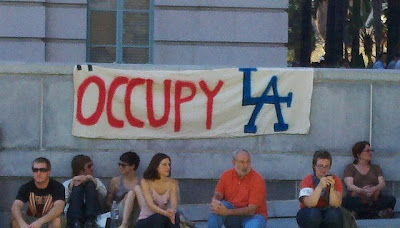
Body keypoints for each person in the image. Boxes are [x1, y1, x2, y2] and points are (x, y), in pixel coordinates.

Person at [208, 149, 267, 228]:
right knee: (217, 208)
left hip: (253, 217)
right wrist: (215, 200)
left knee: (254, 225)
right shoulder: (226, 175)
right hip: (233, 218)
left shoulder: (257, 179)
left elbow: (251, 210)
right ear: (234, 162)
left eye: (248, 161)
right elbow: (218, 194)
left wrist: (227, 212)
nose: (245, 165)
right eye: (242, 162)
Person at [342, 141, 396, 219]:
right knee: (346, 201)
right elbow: (349, 186)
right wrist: (361, 190)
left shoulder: (376, 168)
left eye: (371, 151)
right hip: (358, 199)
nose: (370, 153)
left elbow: (382, 184)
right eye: (367, 151)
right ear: (358, 154)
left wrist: (373, 189)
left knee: (391, 199)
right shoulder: (350, 168)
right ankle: (376, 214)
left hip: (374, 199)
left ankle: (359, 214)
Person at [10, 157, 66, 228]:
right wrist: (22, 224)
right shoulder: (26, 187)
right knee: (15, 220)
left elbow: (59, 207)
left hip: (49, 220)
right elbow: (16, 206)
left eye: (42, 170)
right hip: (32, 219)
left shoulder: (57, 187)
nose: (38, 173)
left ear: (48, 172)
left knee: (56, 221)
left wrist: (40, 221)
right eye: (35, 170)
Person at [296, 150, 343, 228]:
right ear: (314, 166)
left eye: (326, 166)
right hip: (308, 212)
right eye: (320, 166)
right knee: (313, 214)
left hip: (327, 211)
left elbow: (336, 204)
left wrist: (332, 188)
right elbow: (310, 204)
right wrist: (320, 186)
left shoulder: (335, 179)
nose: (323, 169)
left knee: (334, 214)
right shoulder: (307, 180)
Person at [136, 153, 180, 228]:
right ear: (156, 166)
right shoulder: (146, 182)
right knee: (159, 218)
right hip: (146, 220)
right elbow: (150, 204)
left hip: (165, 217)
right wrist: (165, 213)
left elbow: (174, 204)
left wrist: (172, 211)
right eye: (164, 164)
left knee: (175, 217)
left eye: (169, 164)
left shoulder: (173, 183)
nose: (168, 167)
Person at [63, 155, 107, 228]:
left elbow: (104, 194)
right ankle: (76, 222)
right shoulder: (68, 182)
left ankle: (90, 221)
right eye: (89, 166)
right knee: (77, 187)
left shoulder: (95, 181)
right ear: (81, 169)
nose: (92, 168)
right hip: (73, 217)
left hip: (93, 215)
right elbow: (63, 200)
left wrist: (92, 181)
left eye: (92, 165)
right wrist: (71, 186)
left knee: (90, 185)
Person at [105, 151, 141, 228]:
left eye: (123, 165)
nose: (120, 167)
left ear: (133, 166)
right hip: (119, 212)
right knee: (131, 193)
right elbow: (108, 202)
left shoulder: (141, 182)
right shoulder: (115, 181)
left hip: (136, 214)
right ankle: (125, 224)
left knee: (134, 192)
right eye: (119, 165)